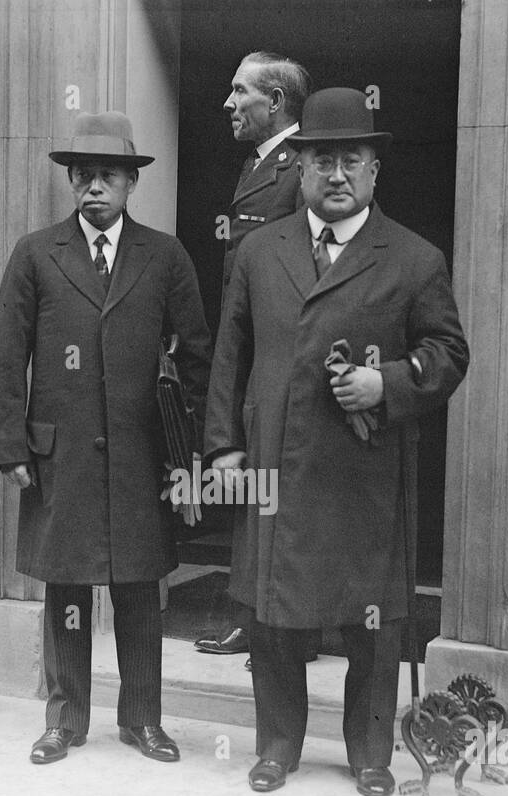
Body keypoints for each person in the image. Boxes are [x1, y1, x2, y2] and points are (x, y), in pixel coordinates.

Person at [203, 88, 470, 796]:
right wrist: (223, 446)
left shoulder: (414, 258)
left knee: (372, 625)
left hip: (366, 469)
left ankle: (369, 752)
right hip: (274, 465)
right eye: (322, 159)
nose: (337, 174)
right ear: (300, 167)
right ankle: (277, 745)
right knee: (273, 616)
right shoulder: (260, 249)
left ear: (374, 170)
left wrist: (387, 383)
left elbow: (448, 352)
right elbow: (230, 352)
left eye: (352, 158)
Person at [0, 112, 212, 766]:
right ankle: (65, 719)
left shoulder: (165, 255)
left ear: (130, 183)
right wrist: (12, 448)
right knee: (67, 587)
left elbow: (196, 354)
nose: (94, 187)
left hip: (144, 456)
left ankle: (142, 719)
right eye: (83, 175)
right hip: (60, 455)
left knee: (142, 587)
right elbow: (8, 355)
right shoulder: (36, 253)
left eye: (107, 176)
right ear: (71, 181)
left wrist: (190, 453)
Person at [195, 50, 313, 666]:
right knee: (255, 492)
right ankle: (257, 616)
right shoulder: (261, 165)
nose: (228, 103)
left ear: (277, 102)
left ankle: (284, 624)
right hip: (251, 346)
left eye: (240, 92)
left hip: (282, 355)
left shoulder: (301, 169)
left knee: (280, 497)